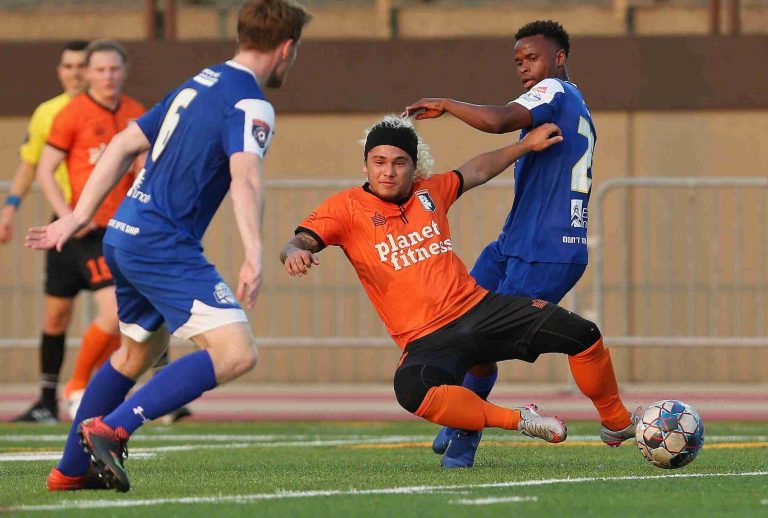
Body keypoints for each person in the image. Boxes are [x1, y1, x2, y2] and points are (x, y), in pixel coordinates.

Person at [26, 0, 312, 492]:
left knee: (134, 356)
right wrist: (255, 253)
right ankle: (113, 429)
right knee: (236, 352)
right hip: (162, 243)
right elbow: (245, 176)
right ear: (286, 48)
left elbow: (121, 144)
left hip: (124, 232)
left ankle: (69, 471)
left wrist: (77, 215)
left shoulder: (200, 80)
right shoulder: (250, 102)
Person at [281, 115, 637, 469]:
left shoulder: (430, 190)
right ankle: (519, 419)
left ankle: (617, 422)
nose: (387, 171)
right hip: (426, 337)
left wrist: (525, 145)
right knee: (411, 389)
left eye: (398, 162)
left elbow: (477, 169)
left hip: (479, 309)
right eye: (379, 162)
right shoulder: (344, 208)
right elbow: (300, 239)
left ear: (413, 166)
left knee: (583, 334)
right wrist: (297, 251)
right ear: (366, 165)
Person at [402, 20, 616, 462]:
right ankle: (459, 421)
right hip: (512, 244)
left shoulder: (554, 91)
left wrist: (447, 103)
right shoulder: (564, 103)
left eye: (532, 57)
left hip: (546, 251)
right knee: (460, 321)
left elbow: (499, 120)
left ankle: (465, 438)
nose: (523, 67)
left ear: (559, 58)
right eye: (518, 61)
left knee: (480, 339)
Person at [32, 39, 146, 422]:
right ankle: (47, 399)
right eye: (99, 70)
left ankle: (79, 385)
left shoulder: (136, 113)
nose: (107, 76)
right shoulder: (71, 113)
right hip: (76, 229)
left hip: (112, 232)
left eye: (114, 69)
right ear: (88, 73)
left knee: (116, 313)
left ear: (125, 70)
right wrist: (68, 216)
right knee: (56, 316)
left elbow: (146, 169)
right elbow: (44, 169)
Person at [5, 40, 89, 423]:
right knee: (56, 315)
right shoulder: (47, 113)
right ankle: (46, 399)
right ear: (60, 70)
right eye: (68, 65)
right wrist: (10, 207)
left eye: (82, 65)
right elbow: (30, 163)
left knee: (131, 307)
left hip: (107, 224)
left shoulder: (112, 110)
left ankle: (162, 396)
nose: (75, 72)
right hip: (64, 225)